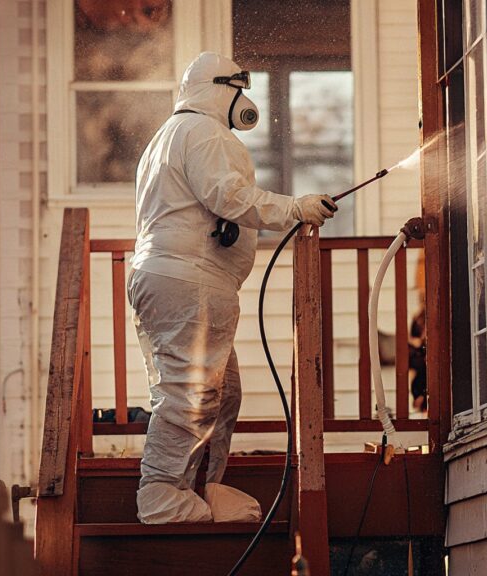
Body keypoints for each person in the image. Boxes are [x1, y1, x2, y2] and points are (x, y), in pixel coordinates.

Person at [127, 52, 337, 524]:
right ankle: (162, 495)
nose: (244, 102)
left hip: (176, 278)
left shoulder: (169, 137)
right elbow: (229, 196)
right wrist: (296, 208)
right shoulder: (203, 132)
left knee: (224, 392)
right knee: (193, 391)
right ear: (221, 90)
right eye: (238, 90)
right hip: (188, 279)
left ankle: (203, 489)